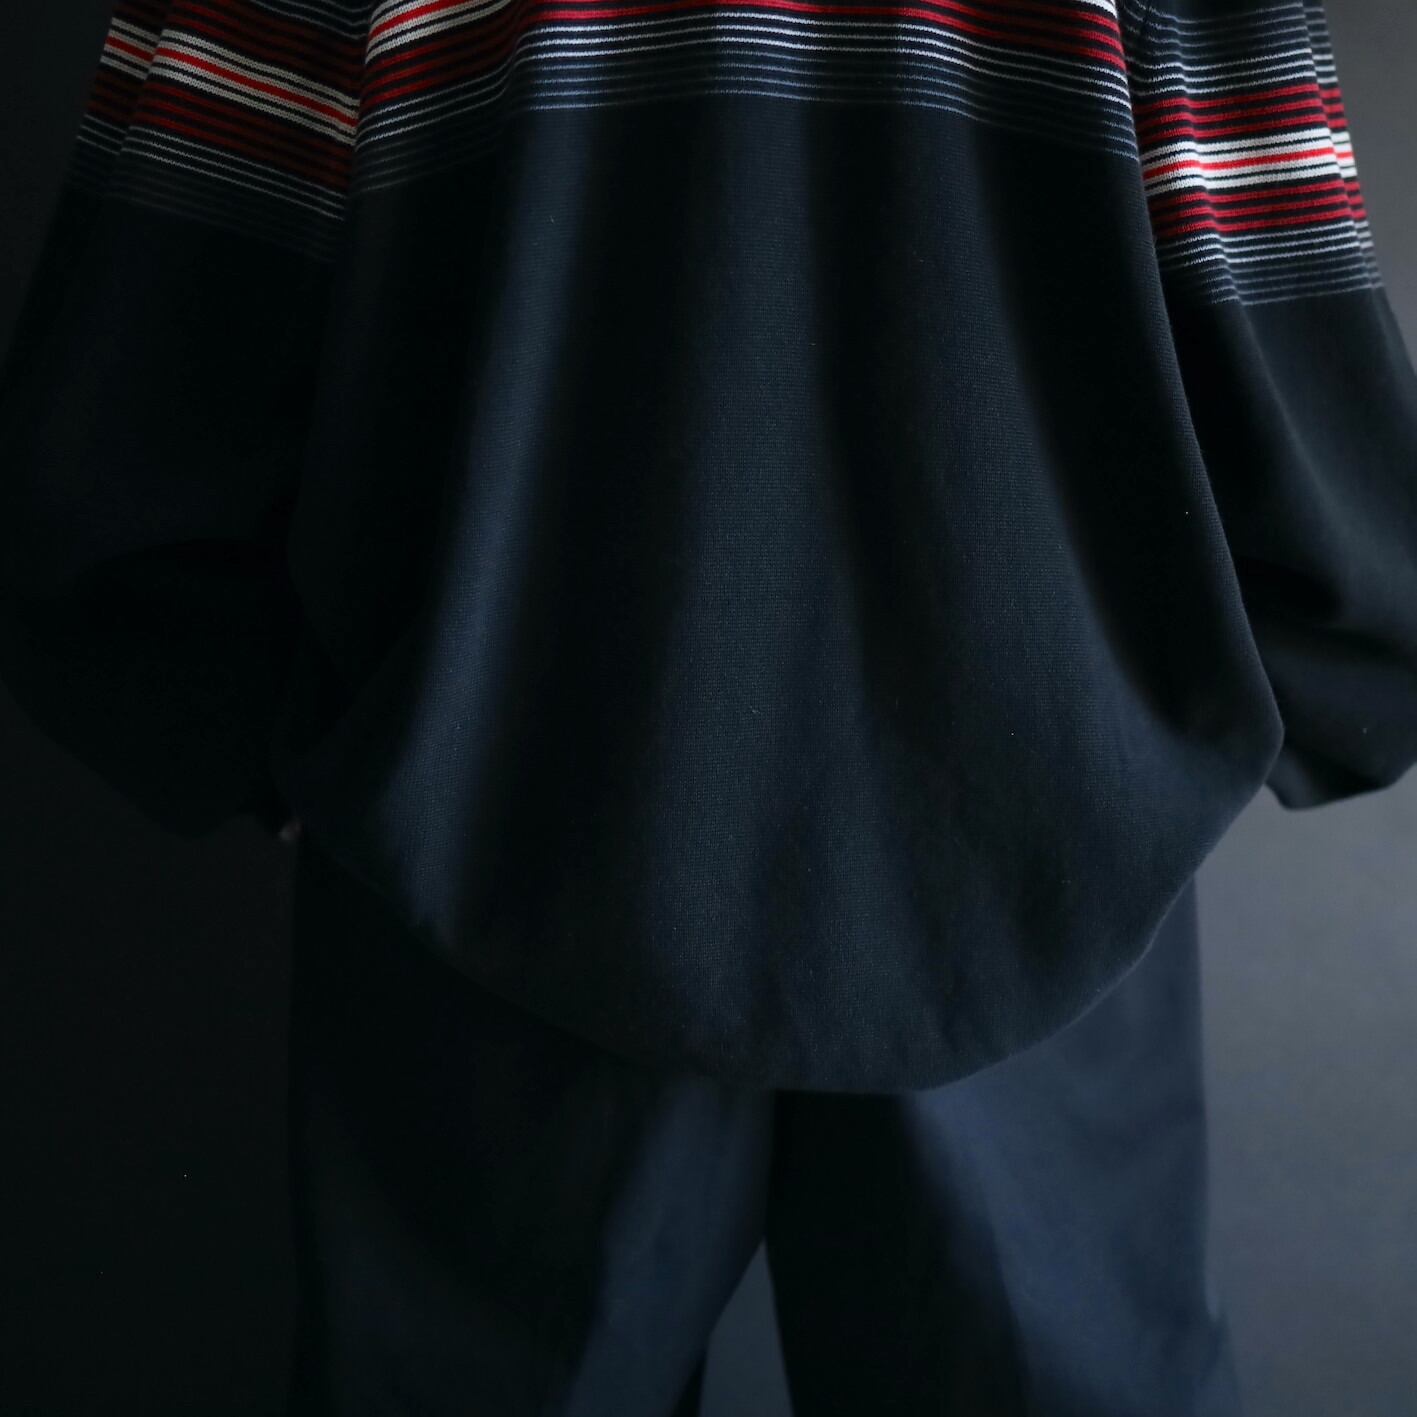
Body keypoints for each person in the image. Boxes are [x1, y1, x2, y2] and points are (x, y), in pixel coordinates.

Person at [2, 0, 1414, 1410]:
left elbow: (174, 291)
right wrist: (1320, 648)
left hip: (501, 801)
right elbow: (1256, 217)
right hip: (1018, 808)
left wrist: (243, 701)